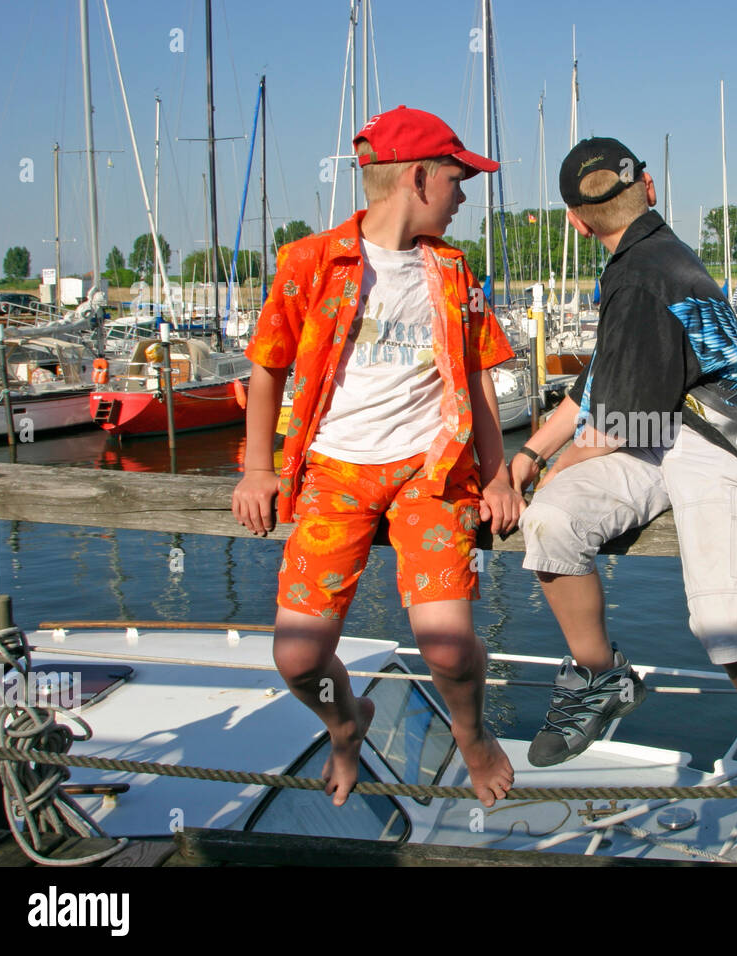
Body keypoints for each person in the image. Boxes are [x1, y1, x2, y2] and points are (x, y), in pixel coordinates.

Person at [510, 137, 737, 844]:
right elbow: (602, 386)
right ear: (648, 187)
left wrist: (558, 466)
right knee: (552, 522)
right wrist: (534, 453)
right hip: (658, 433)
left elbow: (624, 419)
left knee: (724, 620)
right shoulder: (644, 263)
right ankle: (602, 677)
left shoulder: (646, 272)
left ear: (574, 219)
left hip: (717, 443)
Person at [232, 106, 524, 809]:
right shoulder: (310, 262)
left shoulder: (454, 272)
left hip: (432, 474)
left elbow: (481, 378)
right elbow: (268, 367)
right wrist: (256, 468)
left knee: (450, 648)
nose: (464, 197)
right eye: (458, 180)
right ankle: (344, 723)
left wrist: (497, 472)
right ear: (420, 177)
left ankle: (472, 733)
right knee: (299, 658)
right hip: (333, 474)